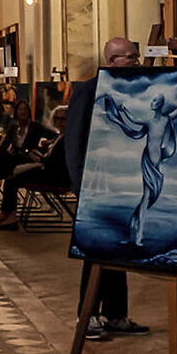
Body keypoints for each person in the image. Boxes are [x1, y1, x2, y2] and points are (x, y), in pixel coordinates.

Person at [61, 38, 150, 337]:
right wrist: (79, 184)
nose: (136, 62)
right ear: (112, 61)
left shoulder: (136, 92)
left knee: (117, 251)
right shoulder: (87, 91)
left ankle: (116, 315)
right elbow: (73, 143)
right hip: (95, 186)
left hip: (125, 184)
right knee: (96, 252)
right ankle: (87, 317)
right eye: (130, 57)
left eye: (137, 57)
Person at [0, 105, 74, 227]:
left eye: (63, 119)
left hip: (55, 177)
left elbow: (58, 163)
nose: (60, 122)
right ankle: (6, 214)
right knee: (6, 165)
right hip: (47, 169)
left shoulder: (68, 138)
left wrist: (40, 158)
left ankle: (7, 215)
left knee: (12, 179)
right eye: (57, 119)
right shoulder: (61, 137)